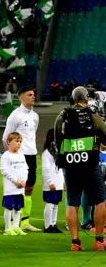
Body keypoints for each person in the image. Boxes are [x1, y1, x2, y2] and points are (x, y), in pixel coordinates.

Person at [54, 86, 106, 252]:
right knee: (100, 200)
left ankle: (75, 242)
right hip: (90, 165)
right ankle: (99, 240)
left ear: (73, 98)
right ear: (87, 99)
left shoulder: (62, 117)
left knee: (72, 202)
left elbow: (57, 141)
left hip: (70, 165)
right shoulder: (94, 117)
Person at [2, 86, 40, 231]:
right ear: (21, 98)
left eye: (34, 94)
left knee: (29, 187)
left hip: (31, 155)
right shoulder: (15, 115)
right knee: (16, 188)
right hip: (19, 157)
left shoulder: (35, 116)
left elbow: (32, 134)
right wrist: (12, 154)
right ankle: (12, 222)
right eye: (30, 95)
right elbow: (6, 137)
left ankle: (25, 222)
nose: (33, 97)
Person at [0, 132, 27, 236]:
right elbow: (4, 170)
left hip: (20, 188)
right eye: (16, 141)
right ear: (9, 142)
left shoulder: (21, 155)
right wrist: (16, 181)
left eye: (20, 141)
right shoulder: (6, 156)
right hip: (10, 187)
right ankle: (7, 228)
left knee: (18, 208)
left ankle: (16, 227)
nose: (19, 143)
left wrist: (24, 180)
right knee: (8, 208)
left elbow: (26, 169)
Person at [41, 128, 64, 234]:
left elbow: (61, 168)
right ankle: (47, 225)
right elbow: (45, 169)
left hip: (58, 182)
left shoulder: (58, 151)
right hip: (51, 183)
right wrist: (50, 182)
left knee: (56, 204)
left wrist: (63, 182)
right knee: (50, 203)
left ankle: (53, 224)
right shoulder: (47, 153)